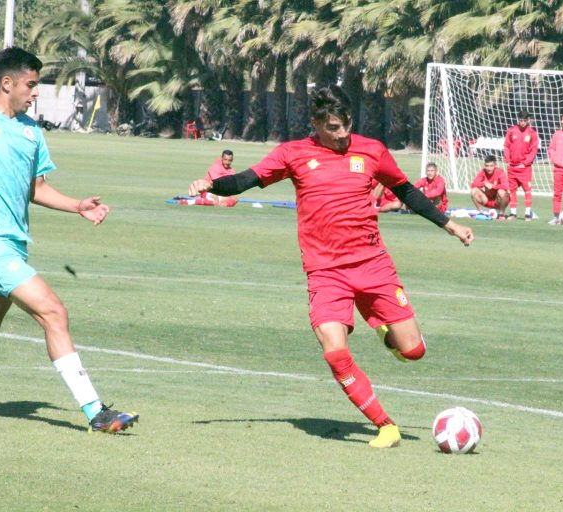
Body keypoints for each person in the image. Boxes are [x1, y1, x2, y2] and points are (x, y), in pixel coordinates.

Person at [189, 86, 474, 449]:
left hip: (373, 266)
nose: (342, 135)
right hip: (325, 272)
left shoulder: (371, 150)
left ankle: (385, 333)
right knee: (335, 352)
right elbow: (246, 180)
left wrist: (450, 225)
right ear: (317, 124)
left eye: (346, 126)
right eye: (334, 128)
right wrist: (211, 184)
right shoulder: (293, 154)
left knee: (413, 351)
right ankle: (385, 426)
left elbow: (405, 191)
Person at [0, 47, 138, 434]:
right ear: (7, 83)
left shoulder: (32, 131)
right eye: (31, 85)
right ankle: (96, 412)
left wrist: (77, 206)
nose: (37, 93)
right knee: (54, 311)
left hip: (14, 244)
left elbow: (36, 187)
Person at [503, 110, 538, 221]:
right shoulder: (511, 130)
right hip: (512, 167)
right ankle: (513, 213)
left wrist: (526, 163)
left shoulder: (532, 133)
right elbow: (507, 146)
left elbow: (533, 150)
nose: (522, 123)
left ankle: (527, 213)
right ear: (518, 120)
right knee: (512, 190)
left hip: (524, 168)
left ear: (528, 120)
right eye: (521, 120)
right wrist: (507, 160)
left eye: (524, 121)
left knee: (527, 190)